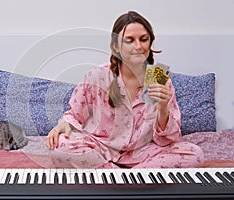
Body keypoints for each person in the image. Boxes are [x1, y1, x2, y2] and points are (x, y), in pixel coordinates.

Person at [45, 11, 204, 168]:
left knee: (194, 154)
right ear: (116, 46)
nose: (138, 46)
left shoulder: (158, 77)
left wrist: (163, 109)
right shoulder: (97, 76)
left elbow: (169, 139)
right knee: (60, 145)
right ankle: (127, 178)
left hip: (142, 153)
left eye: (144, 39)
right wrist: (65, 124)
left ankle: (122, 177)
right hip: (101, 149)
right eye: (129, 40)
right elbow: (75, 115)